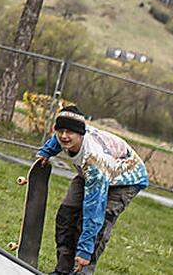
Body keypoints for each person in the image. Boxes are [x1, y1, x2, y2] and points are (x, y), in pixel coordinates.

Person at [36, 105, 149, 274]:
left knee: (98, 223)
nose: (64, 136)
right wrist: (46, 152)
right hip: (93, 172)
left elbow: (94, 209)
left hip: (125, 179)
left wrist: (84, 250)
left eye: (69, 132)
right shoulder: (70, 131)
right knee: (66, 214)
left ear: (80, 134)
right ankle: (63, 270)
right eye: (60, 130)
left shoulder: (94, 160)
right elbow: (60, 136)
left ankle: (82, 270)